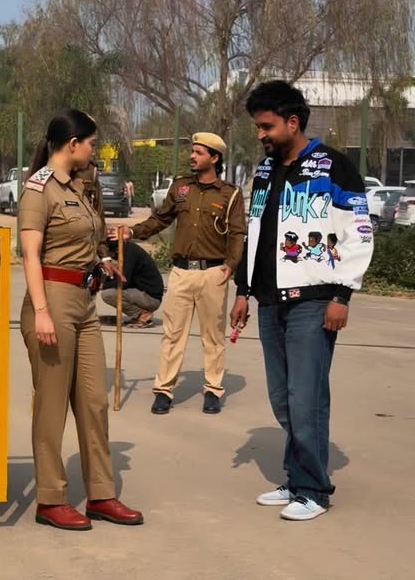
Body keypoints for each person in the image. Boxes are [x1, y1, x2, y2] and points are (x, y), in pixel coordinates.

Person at [230, 80, 374, 521]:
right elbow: (255, 233)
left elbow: (359, 233)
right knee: (282, 397)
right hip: (270, 301)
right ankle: (296, 479)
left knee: (305, 397)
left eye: (267, 126)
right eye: (258, 127)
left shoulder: (333, 167)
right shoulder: (264, 170)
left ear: (293, 122)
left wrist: (342, 294)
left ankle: (313, 489)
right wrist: (243, 290)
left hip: (314, 301)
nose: (261, 134)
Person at [19, 109, 143, 531]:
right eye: (91, 143)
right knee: (52, 406)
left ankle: (101, 494)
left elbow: (85, 238)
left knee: (93, 402)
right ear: (72, 144)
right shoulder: (39, 189)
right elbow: (30, 255)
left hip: (84, 302)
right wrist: (40, 312)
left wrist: (102, 261)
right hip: (51, 300)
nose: (94, 150)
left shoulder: (77, 186)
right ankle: (50, 499)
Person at [112, 132, 246, 415]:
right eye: (192, 151)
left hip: (213, 273)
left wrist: (231, 265)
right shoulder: (181, 187)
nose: (192, 156)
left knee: (213, 336)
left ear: (214, 158)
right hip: (182, 273)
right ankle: (163, 390)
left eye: (198, 152)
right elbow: (161, 219)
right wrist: (133, 232)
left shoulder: (230, 194)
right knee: (172, 334)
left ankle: (213, 389)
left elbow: (237, 234)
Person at [101, 240, 164, 328]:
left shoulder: (129, 253)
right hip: (143, 294)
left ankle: (142, 315)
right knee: (109, 290)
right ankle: (139, 315)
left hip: (151, 298)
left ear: (114, 250)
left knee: (108, 294)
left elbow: (124, 282)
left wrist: (102, 286)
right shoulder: (127, 250)